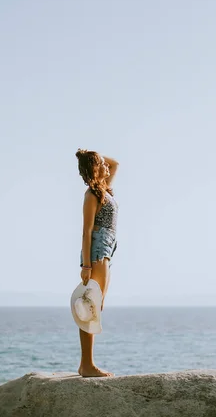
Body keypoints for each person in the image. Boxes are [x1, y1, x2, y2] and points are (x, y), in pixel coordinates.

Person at [75, 148, 119, 377]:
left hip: (108, 249)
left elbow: (115, 163)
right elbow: (86, 231)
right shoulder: (91, 194)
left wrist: (90, 156)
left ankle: (86, 364)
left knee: (96, 305)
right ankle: (87, 365)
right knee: (91, 304)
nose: (106, 166)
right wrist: (86, 266)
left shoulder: (104, 190)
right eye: (101, 164)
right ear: (94, 169)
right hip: (97, 251)